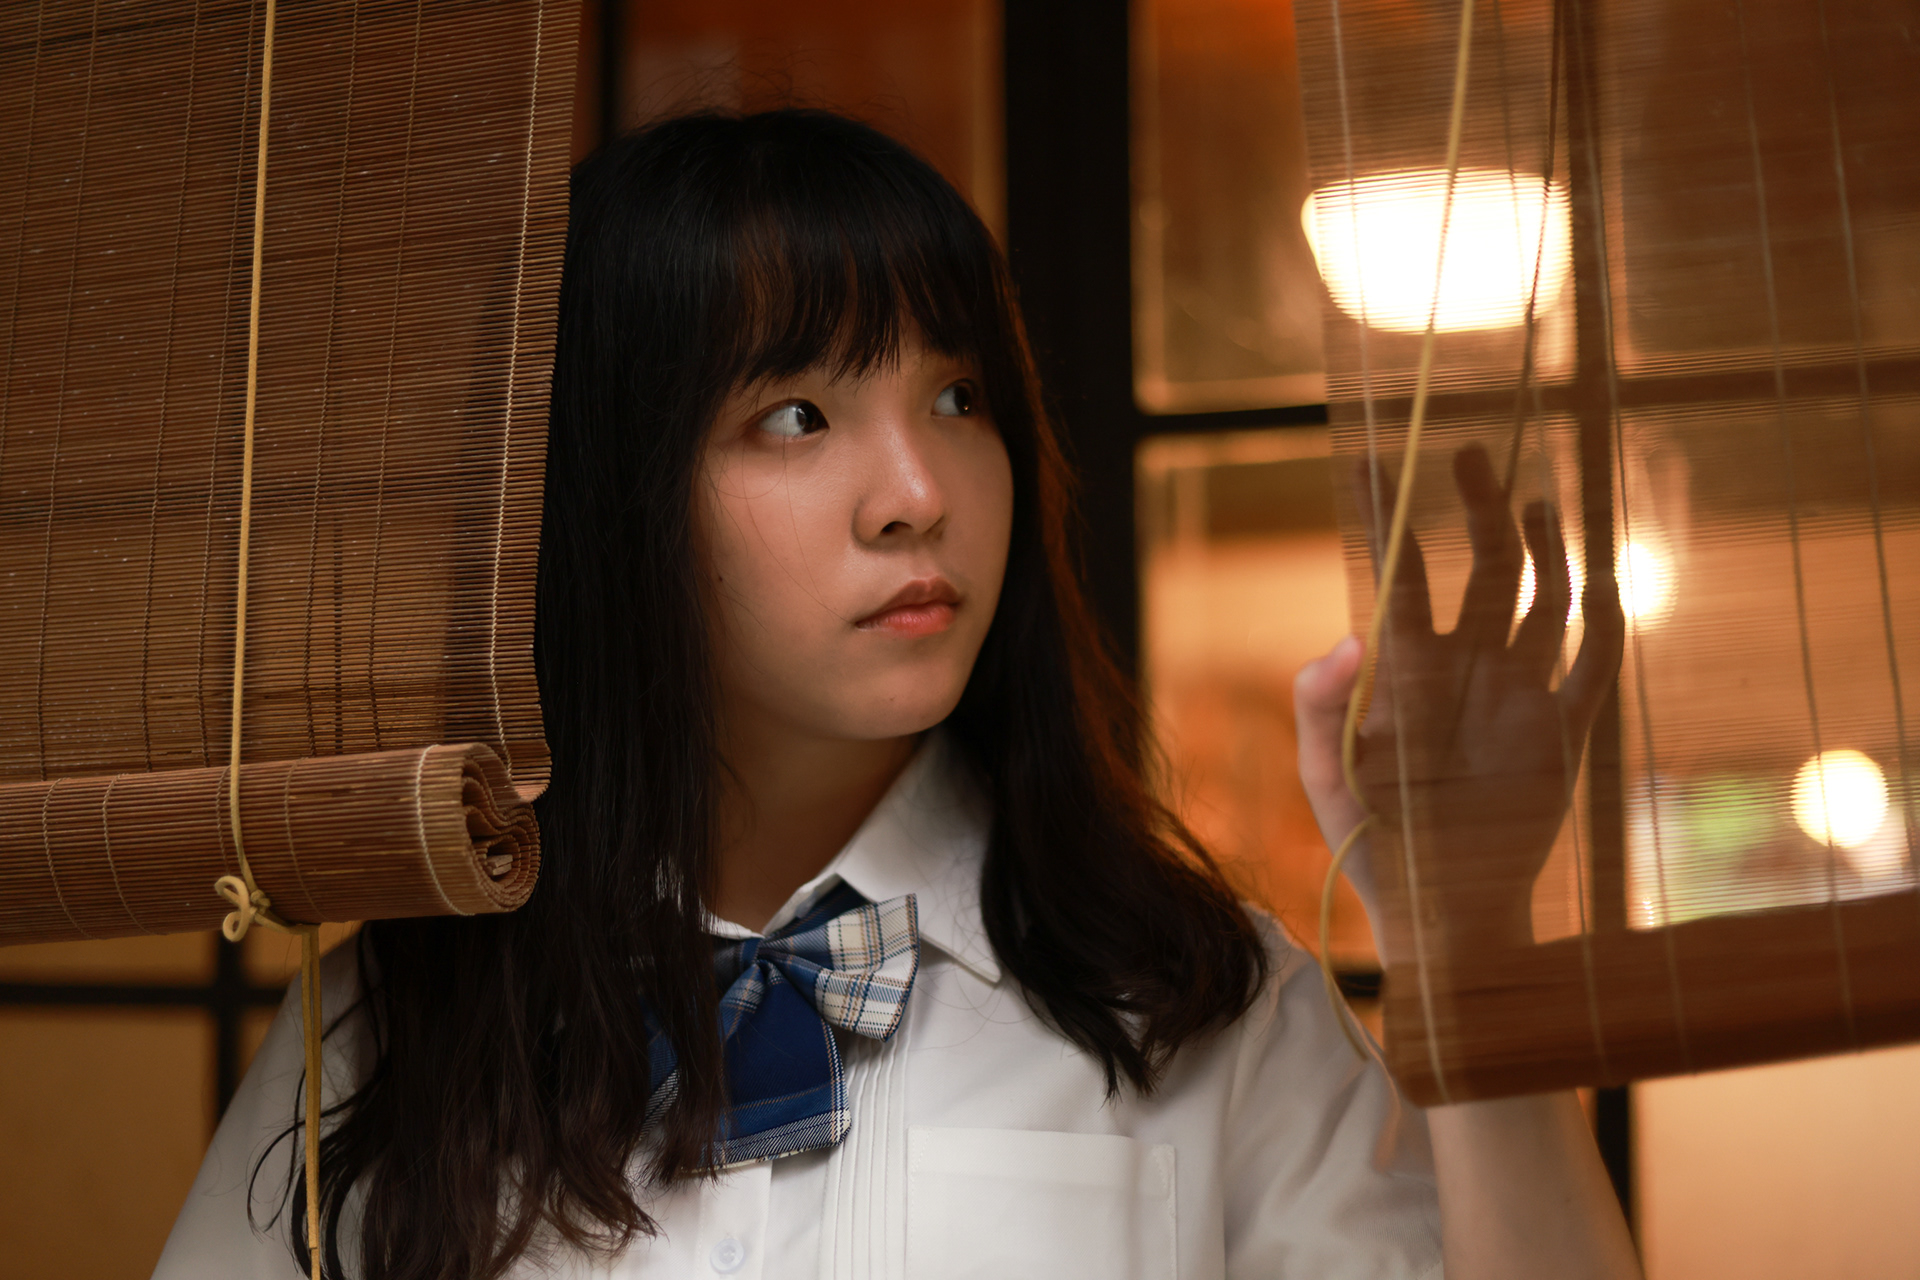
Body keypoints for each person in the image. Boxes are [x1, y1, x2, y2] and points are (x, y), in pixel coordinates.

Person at [155, 109, 1640, 1280]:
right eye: (798, 415)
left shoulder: (1202, 1006)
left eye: (958, 396)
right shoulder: (404, 1017)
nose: (919, 493)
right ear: (608, 498)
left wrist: (1469, 946)